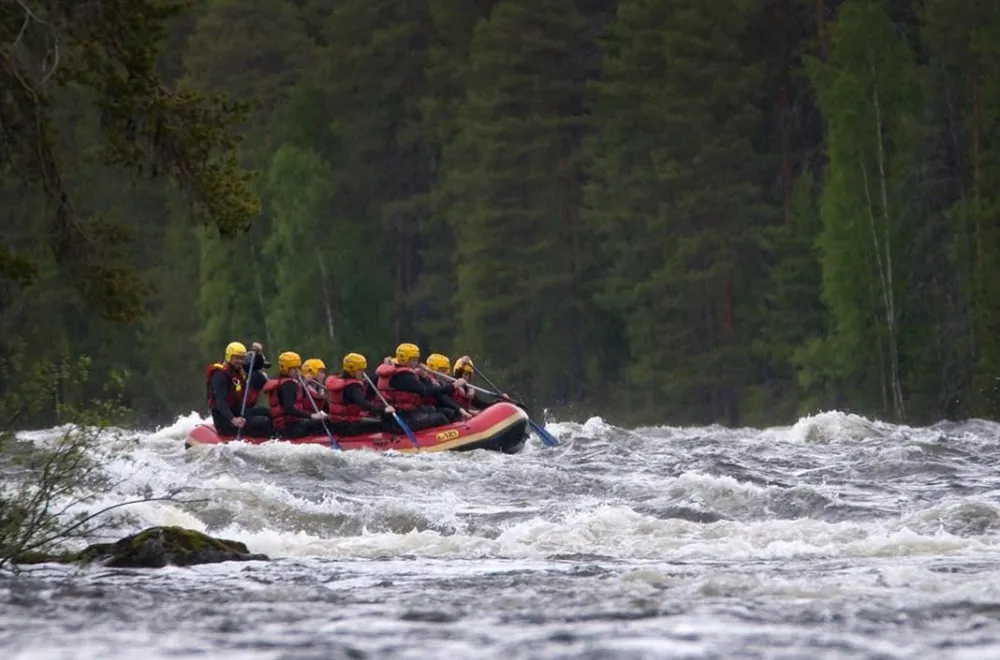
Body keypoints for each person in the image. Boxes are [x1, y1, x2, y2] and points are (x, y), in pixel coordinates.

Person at [375, 343, 470, 431]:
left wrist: (424, 377)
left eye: (416, 359)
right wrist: (453, 386)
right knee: (440, 417)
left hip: (402, 414)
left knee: (437, 410)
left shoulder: (396, 371)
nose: (416, 363)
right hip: (401, 419)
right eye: (413, 360)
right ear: (404, 360)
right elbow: (425, 391)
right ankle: (444, 439)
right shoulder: (404, 376)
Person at [205, 341, 272, 437]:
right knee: (263, 422)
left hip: (237, 411)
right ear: (229, 357)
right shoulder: (219, 375)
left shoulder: (237, 368)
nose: (240, 361)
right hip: (225, 420)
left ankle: (279, 436)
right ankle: (268, 439)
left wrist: (258, 353)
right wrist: (233, 420)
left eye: (242, 358)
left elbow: (257, 365)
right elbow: (221, 402)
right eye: (236, 358)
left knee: (267, 412)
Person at [262, 351, 330, 438]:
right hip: (289, 429)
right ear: (286, 368)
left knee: (323, 419)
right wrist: (312, 416)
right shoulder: (288, 385)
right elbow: (289, 409)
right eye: (294, 369)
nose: (298, 371)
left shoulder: (281, 380)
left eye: (298, 368)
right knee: (325, 421)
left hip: (287, 426)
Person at [325, 352, 391, 436]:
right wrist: (383, 409)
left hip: (336, 424)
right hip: (349, 426)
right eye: (360, 370)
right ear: (352, 369)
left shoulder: (338, 381)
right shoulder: (352, 386)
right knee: (382, 423)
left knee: (371, 419)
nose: (363, 373)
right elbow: (362, 404)